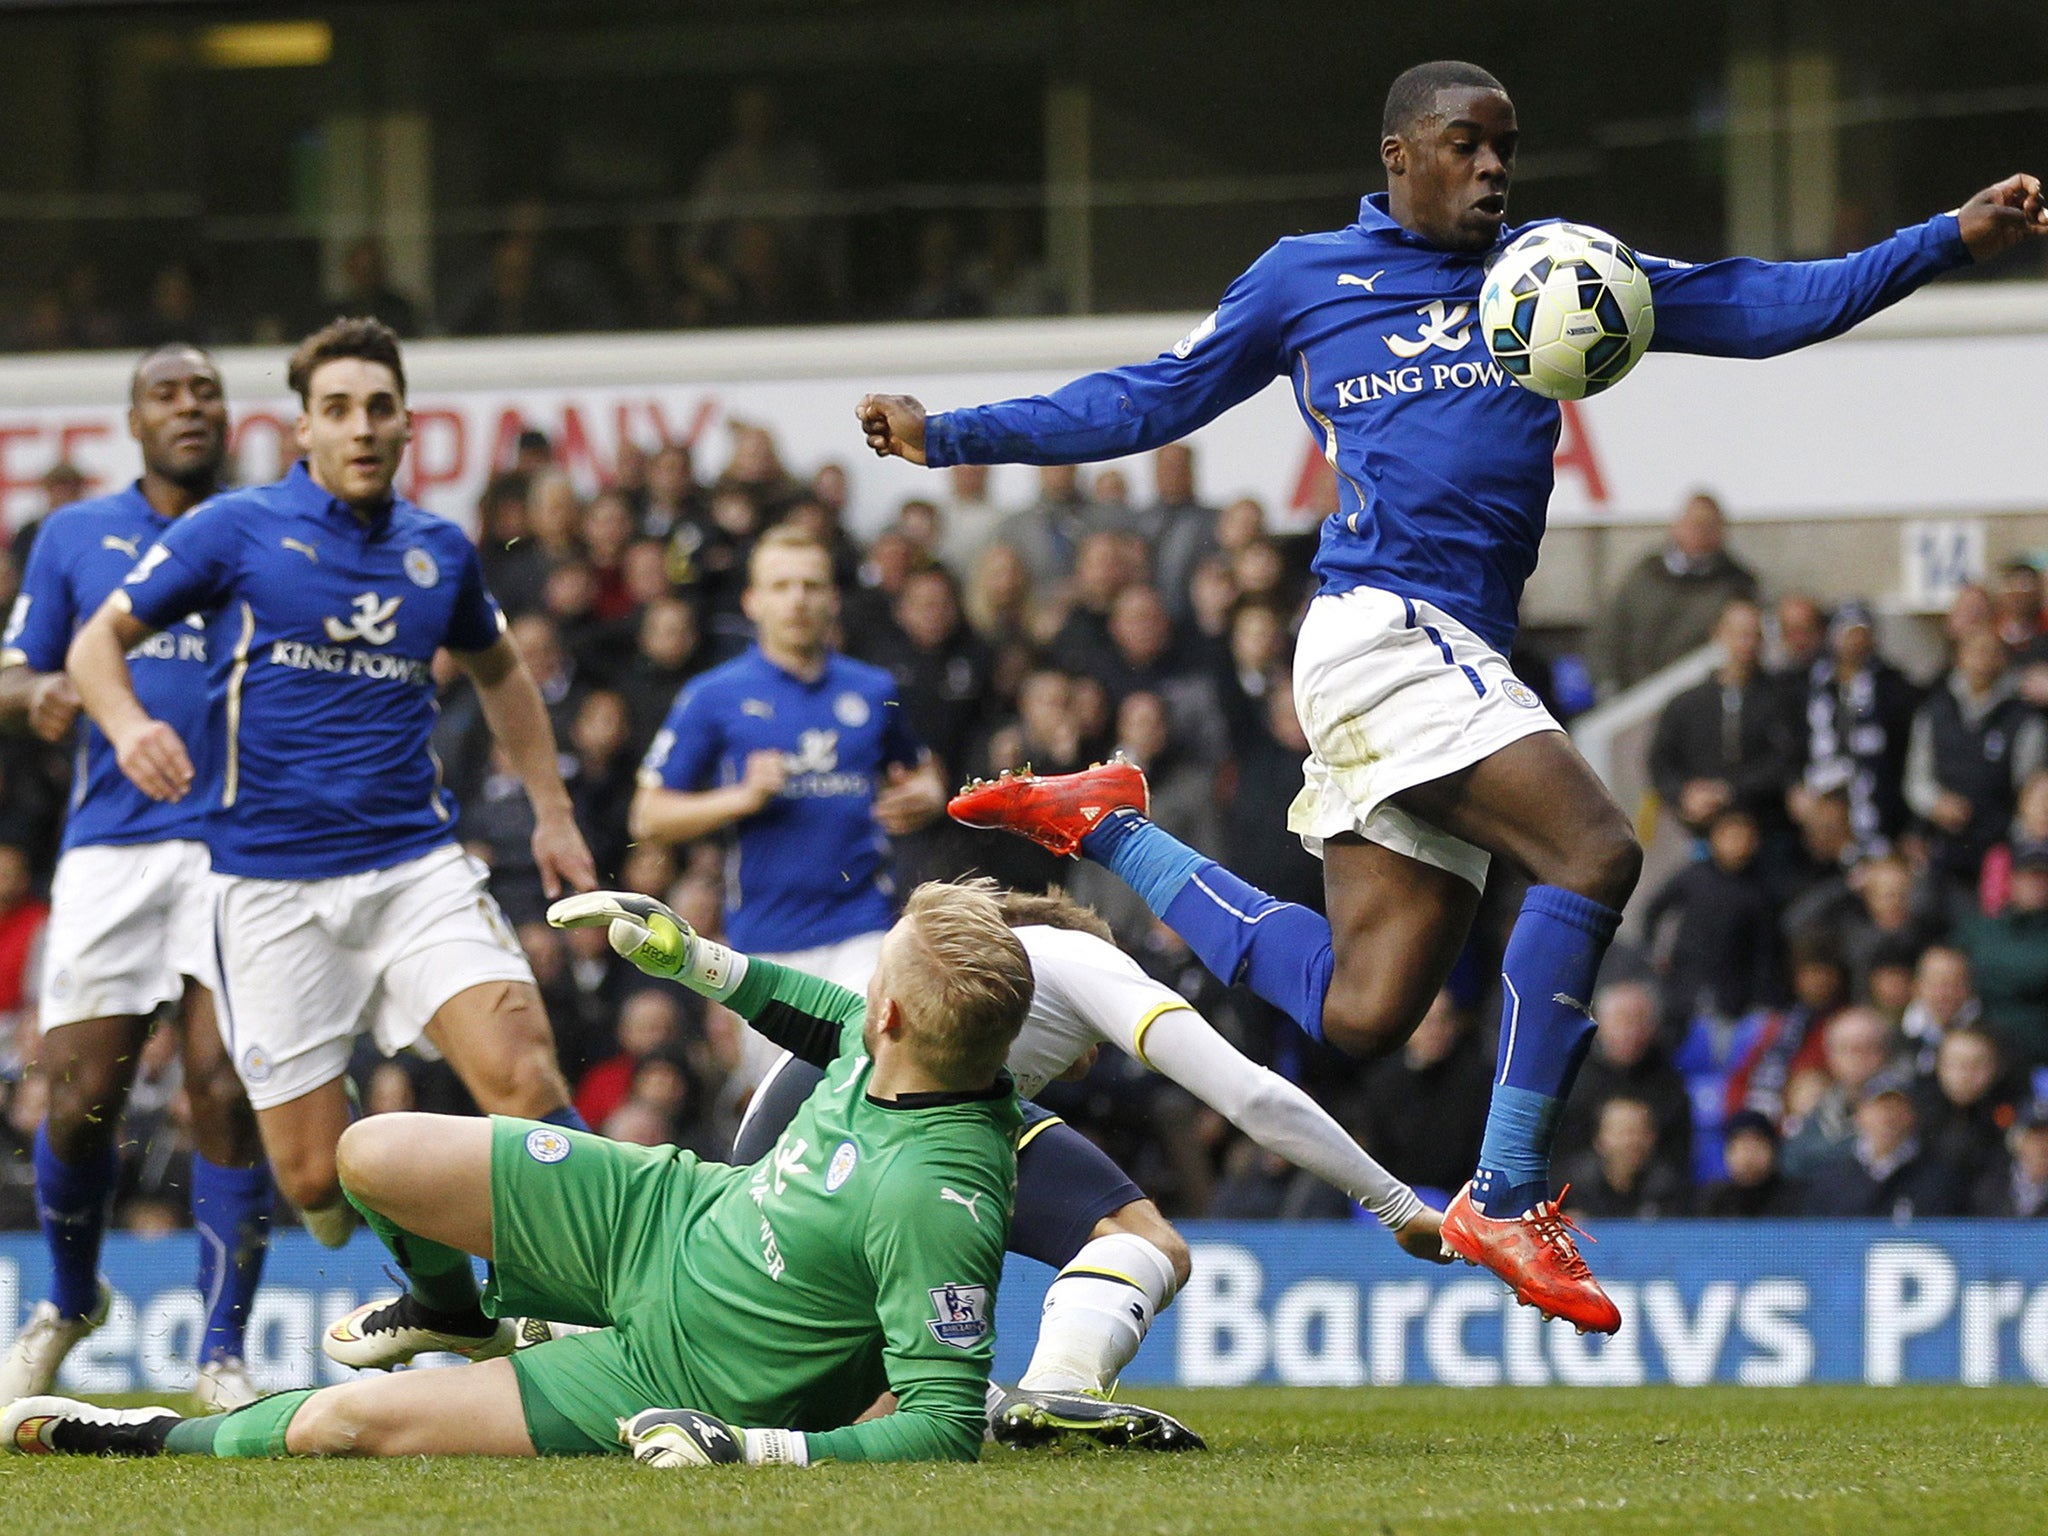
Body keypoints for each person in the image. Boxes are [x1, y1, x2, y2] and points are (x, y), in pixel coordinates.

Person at [858, 58, 2045, 1331]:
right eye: (1466, 147)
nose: (1492, 171)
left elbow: (1760, 304)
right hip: (1379, 626)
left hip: (1458, 647)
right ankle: (1507, 1188)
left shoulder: (1555, 270)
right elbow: (1146, 398)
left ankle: (1104, 827)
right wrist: (953, 433)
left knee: (1360, 1009)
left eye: (1505, 151)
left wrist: (1947, 238)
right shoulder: (1303, 279)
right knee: (1591, 850)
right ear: (1397, 156)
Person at [2, 881, 1035, 1466]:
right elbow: (816, 1013)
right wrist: (691, 958)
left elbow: (942, 1427)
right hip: (658, 1215)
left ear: (892, 1015)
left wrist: (756, 1452)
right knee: (374, 1150)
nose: (861, 997)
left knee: (336, 1426)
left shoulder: (937, 1195)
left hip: (680, 1379)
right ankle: (450, 1311)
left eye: (877, 980)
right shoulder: (908, 1045)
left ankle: (151, 1436)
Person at [64, 317, 597, 1251]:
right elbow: (94, 643)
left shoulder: (439, 549)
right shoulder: (234, 529)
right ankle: (439, 1302)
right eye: (338, 409)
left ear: (406, 428)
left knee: (523, 1075)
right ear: (301, 429)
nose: (361, 428)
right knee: (317, 1191)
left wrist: (552, 810)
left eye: (379, 409)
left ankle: (626, 1294)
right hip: (268, 887)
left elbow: (503, 671)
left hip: (413, 868)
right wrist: (128, 722)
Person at [717, 881, 1446, 1448]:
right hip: (855, 1127)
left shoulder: (951, 988)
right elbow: (1250, 1095)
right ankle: (1025, 1394)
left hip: (851, 1122)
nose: (1089, 1060)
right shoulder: (1086, 957)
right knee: (840, 1391)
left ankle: (1048, 1393)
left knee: (1143, 1234)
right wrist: (1398, 1206)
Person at [0, 345, 271, 1412]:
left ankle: (222, 1353)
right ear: (134, 420)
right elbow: (13, 674)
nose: (189, 407)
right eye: (167, 393)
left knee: (223, 1086)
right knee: (77, 1104)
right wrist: (48, 695)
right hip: (112, 847)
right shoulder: (73, 536)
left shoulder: (265, 530)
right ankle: (70, 1301)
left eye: (204, 391)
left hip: (241, 843)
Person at [631, 526, 945, 1088]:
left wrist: (926, 795)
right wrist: (740, 798)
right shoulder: (714, 694)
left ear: (833, 599)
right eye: (780, 586)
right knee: (783, 1118)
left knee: (865, 1088)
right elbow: (648, 816)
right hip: (764, 942)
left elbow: (923, 772)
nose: (797, 600)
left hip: (862, 930)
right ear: (752, 602)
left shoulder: (872, 690)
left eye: (810, 585)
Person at [1905, 626, 2045, 885]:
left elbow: (2030, 791)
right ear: (1959, 656)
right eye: (1976, 651)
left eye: (1992, 652)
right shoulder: (1935, 711)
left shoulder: (2024, 720)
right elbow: (1916, 777)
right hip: (1940, 845)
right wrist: (1935, 803)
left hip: (2000, 849)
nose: (1984, 659)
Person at [1648, 598, 1798, 838]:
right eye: (1740, 634)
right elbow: (1661, 762)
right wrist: (1684, 794)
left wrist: (1732, 790)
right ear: (1719, 634)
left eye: (1755, 635)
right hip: (1704, 830)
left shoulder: (1782, 698)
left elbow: (1787, 759)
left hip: (1767, 826)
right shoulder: (1687, 704)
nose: (1746, 644)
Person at [1595, 493, 1759, 694]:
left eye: (1709, 526)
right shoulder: (1645, 574)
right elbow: (1610, 631)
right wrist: (1607, 684)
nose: (1700, 533)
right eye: (1694, 525)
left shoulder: (1737, 585)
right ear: (1677, 526)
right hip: (1633, 695)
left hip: (1697, 698)